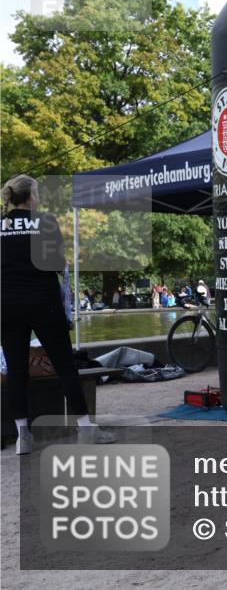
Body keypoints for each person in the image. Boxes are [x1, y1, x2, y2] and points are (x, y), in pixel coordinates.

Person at [1, 175, 115, 454]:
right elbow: (55, 263)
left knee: (16, 371)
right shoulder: (46, 222)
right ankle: (87, 429)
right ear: (30, 197)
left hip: (6, 305)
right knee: (65, 365)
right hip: (43, 302)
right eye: (37, 193)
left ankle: (23, 437)